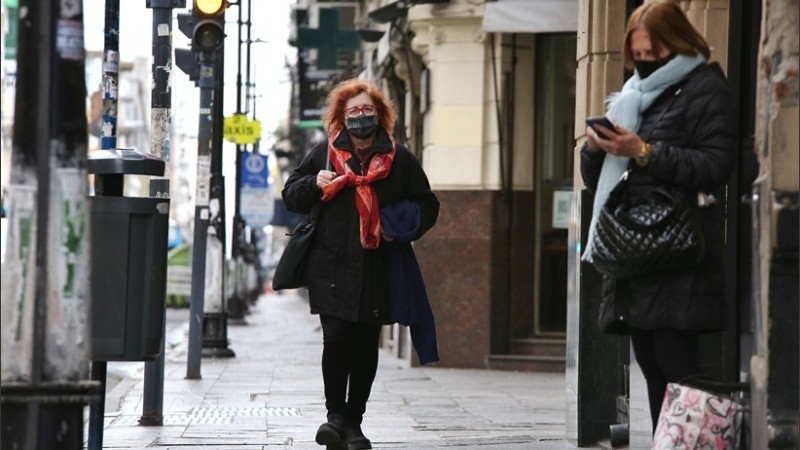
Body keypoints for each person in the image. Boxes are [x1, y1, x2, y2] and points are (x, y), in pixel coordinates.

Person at [579, 0, 736, 432]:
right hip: (637, 253)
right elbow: (600, 181)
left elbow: (716, 165)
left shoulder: (705, 86)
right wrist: (595, 149)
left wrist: (644, 152)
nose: (645, 63)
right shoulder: (635, 94)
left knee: (679, 372)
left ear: (678, 43)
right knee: (651, 366)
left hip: (679, 250)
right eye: (639, 55)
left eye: (654, 53)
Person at [281, 79, 440, 449]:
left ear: (380, 114)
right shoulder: (323, 153)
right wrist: (313, 184)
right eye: (353, 111)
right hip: (330, 267)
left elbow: (427, 205)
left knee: (366, 345)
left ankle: (354, 423)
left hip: (378, 266)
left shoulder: (400, 159)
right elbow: (291, 195)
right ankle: (334, 417)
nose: (360, 117)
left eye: (368, 110)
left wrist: (397, 225)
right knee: (335, 339)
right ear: (341, 116)